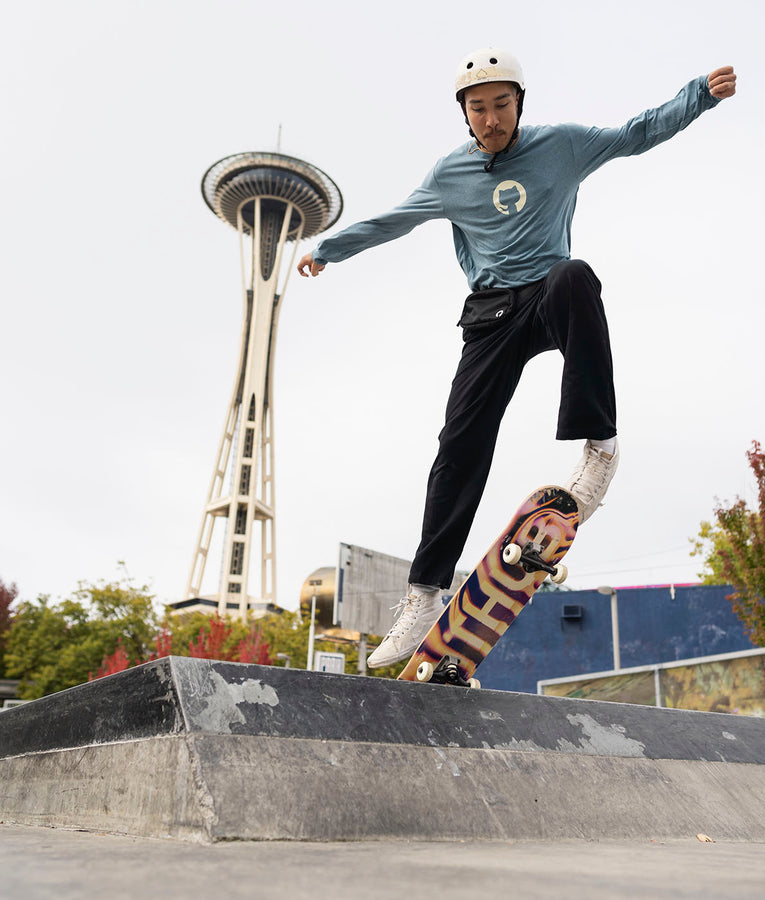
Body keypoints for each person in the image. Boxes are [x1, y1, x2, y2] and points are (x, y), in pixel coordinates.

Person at [298, 48, 737, 668]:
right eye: (479, 110)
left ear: (518, 105)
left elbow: (636, 133)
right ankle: (424, 592)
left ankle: (599, 447)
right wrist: (331, 249)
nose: (491, 119)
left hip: (547, 298)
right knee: (460, 444)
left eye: (501, 106)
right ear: (465, 115)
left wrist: (699, 95)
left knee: (574, 276)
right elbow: (395, 220)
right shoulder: (450, 173)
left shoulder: (560, 145)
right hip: (491, 316)